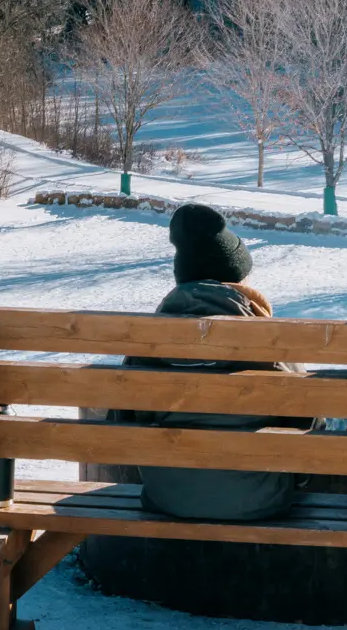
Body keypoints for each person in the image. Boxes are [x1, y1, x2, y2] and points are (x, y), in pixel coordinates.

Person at [115, 203, 307, 521]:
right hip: (262, 499)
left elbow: (122, 426)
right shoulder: (272, 342)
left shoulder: (147, 343)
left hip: (168, 497)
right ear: (238, 279)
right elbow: (309, 422)